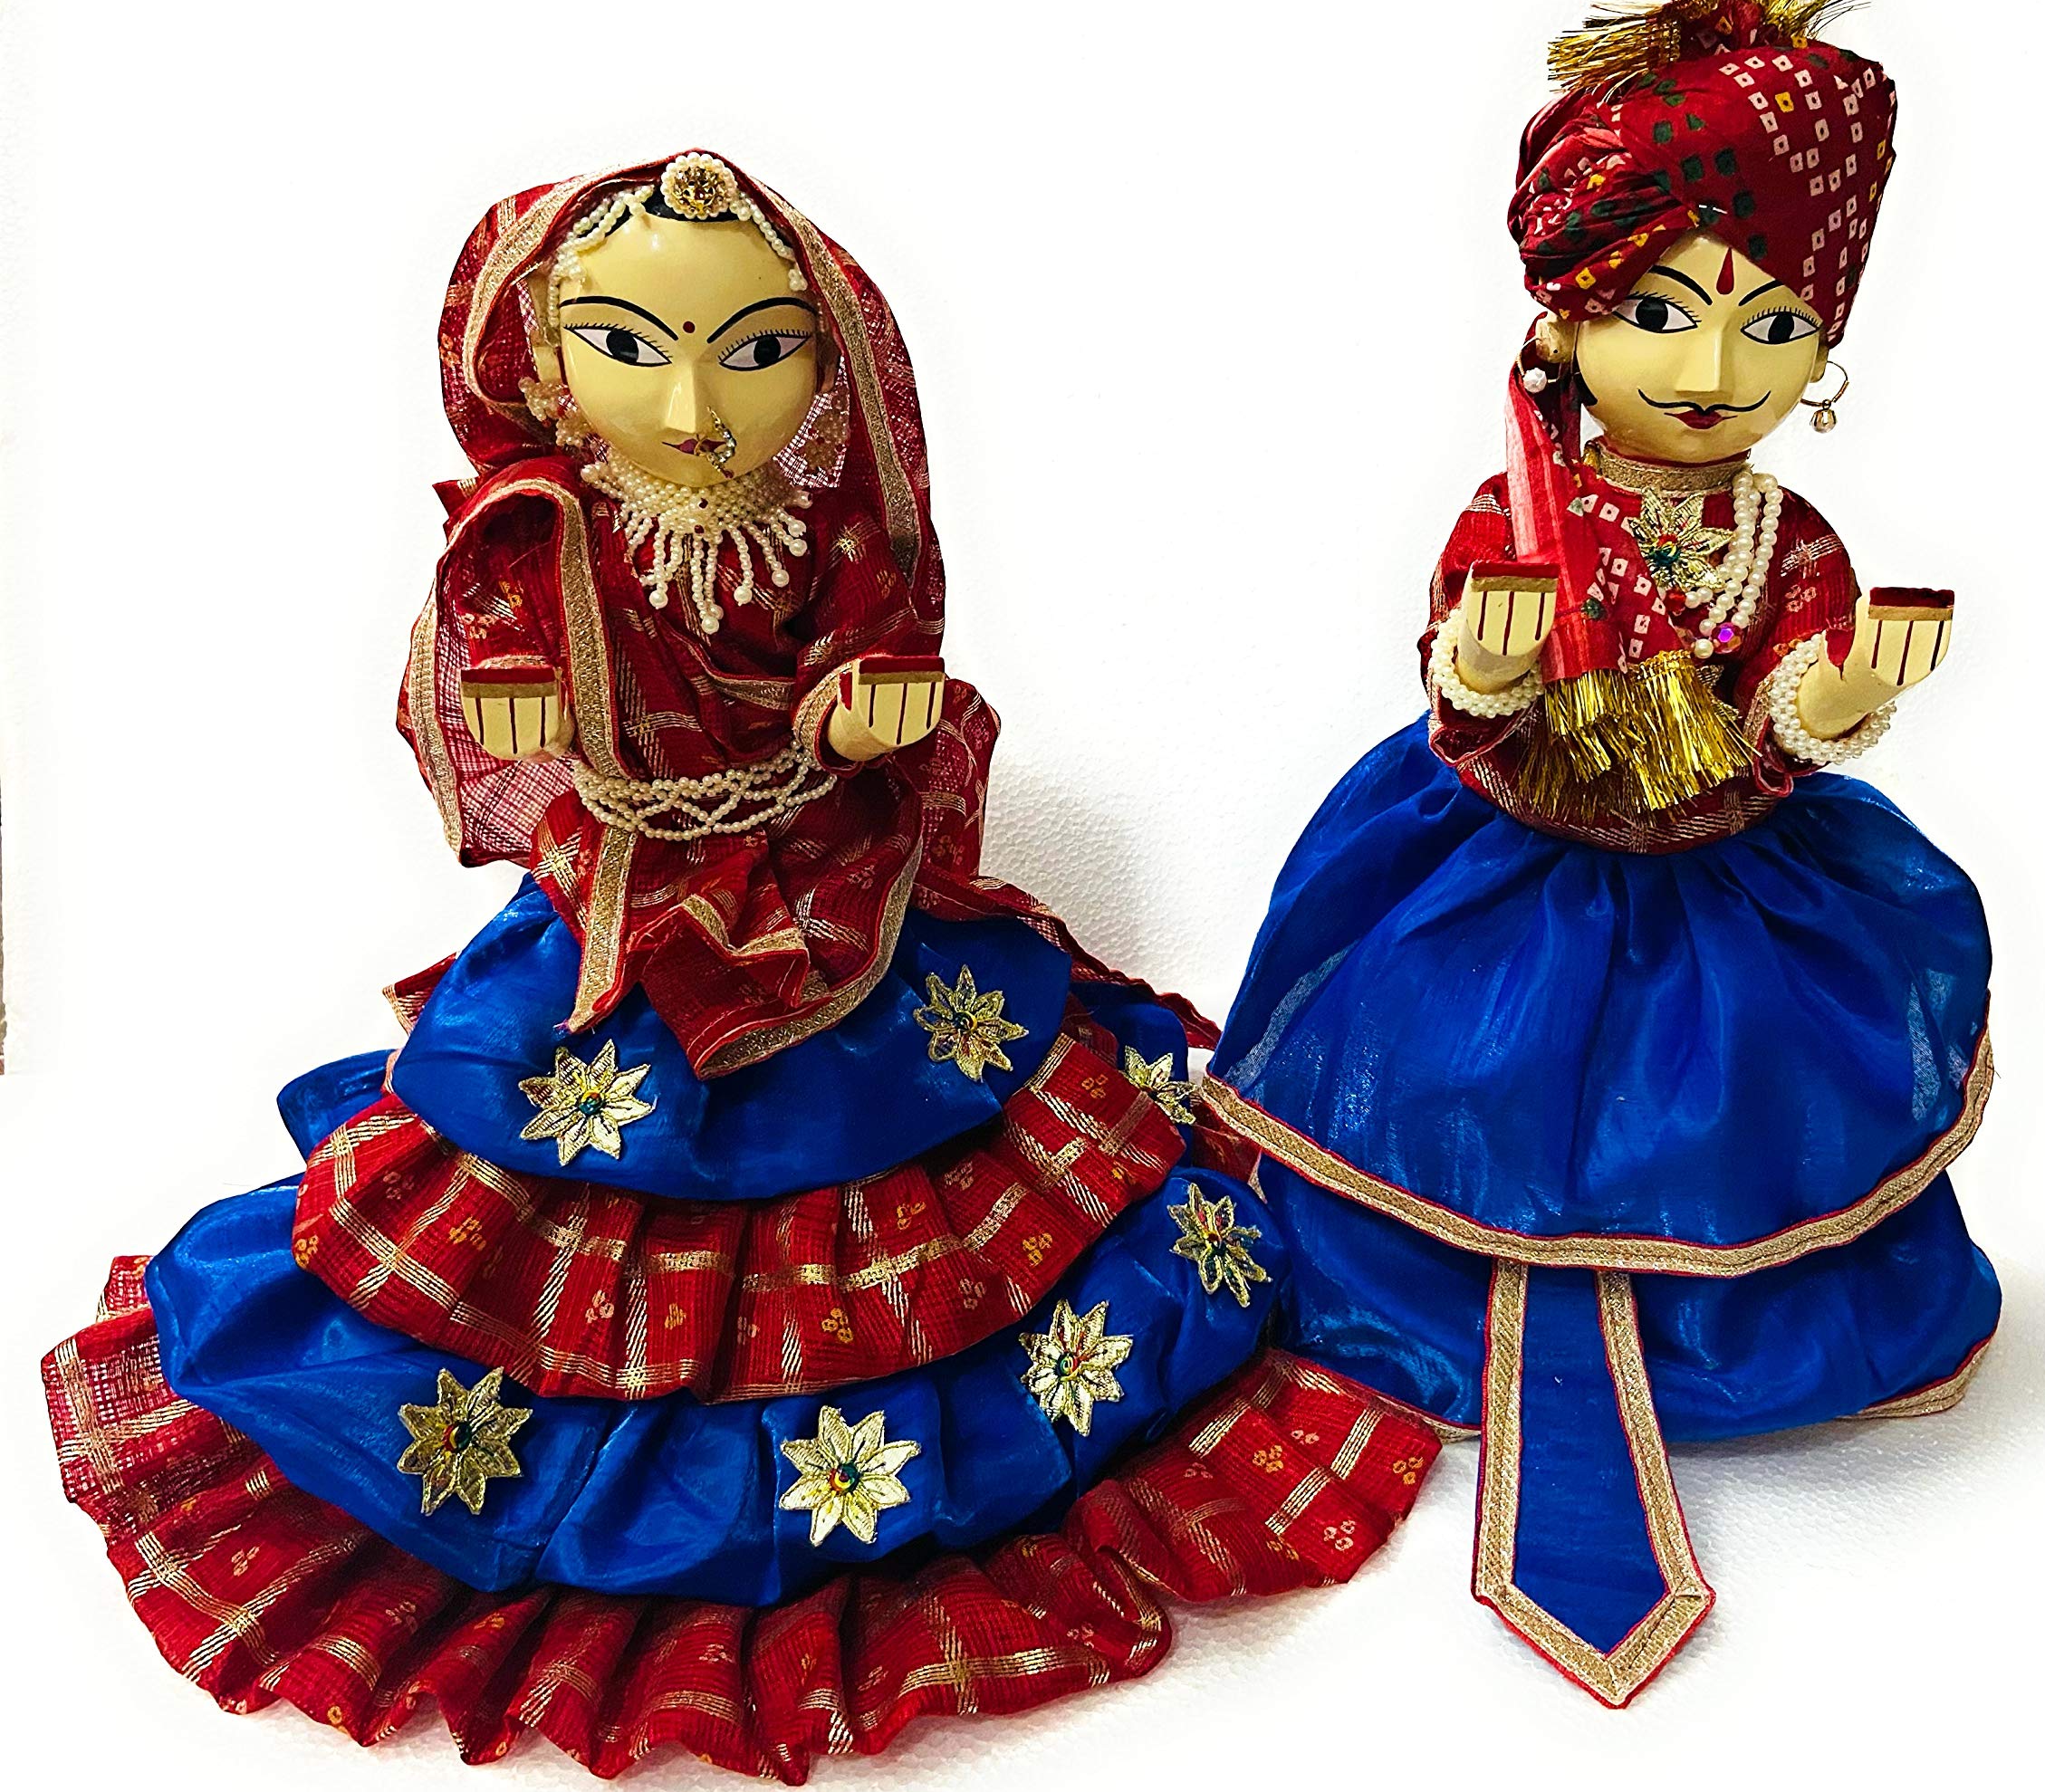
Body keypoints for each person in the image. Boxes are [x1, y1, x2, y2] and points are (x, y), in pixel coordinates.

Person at [40, 150, 1436, 1778]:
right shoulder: (537, 536)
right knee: (540, 1188)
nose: (698, 406)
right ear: (542, 364)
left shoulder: (831, 523)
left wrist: (869, 701)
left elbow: (880, 643)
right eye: (632, 349)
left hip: (834, 903)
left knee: (950, 1143)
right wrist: (518, 685)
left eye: (759, 350)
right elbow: (483, 664)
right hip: (633, 923)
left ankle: (897, 1423)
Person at [1208, 0, 1997, 1706]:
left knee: (1742, 1095)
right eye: (1659, 311)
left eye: (1773, 323)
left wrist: (1831, 697)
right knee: (1466, 1083)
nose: (1713, 372)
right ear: (1566, 319)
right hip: (1509, 873)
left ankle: (1745, 1329)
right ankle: (1425, 1302)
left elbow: (1782, 694)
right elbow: (1467, 686)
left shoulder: (1782, 532)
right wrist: (1487, 668)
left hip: (1733, 874)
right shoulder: (1522, 516)